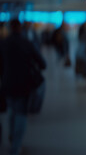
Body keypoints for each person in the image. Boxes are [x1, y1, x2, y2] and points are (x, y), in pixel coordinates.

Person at [1, 19, 46, 155]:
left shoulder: (3, 44)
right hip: (23, 84)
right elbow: (42, 64)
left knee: (12, 110)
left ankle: (12, 137)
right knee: (21, 113)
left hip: (7, 84)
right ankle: (16, 146)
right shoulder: (27, 43)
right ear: (20, 28)